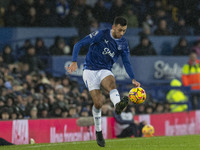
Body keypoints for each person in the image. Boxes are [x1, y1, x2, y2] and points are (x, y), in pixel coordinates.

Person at [67, 16, 140, 147]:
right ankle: (99, 132)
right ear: (113, 27)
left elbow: (126, 62)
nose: (121, 33)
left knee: (111, 83)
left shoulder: (123, 43)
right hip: (89, 70)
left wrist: (133, 78)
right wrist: (73, 61)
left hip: (105, 70)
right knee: (98, 103)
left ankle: (118, 105)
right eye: (119, 30)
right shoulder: (101, 34)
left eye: (124, 31)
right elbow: (79, 44)